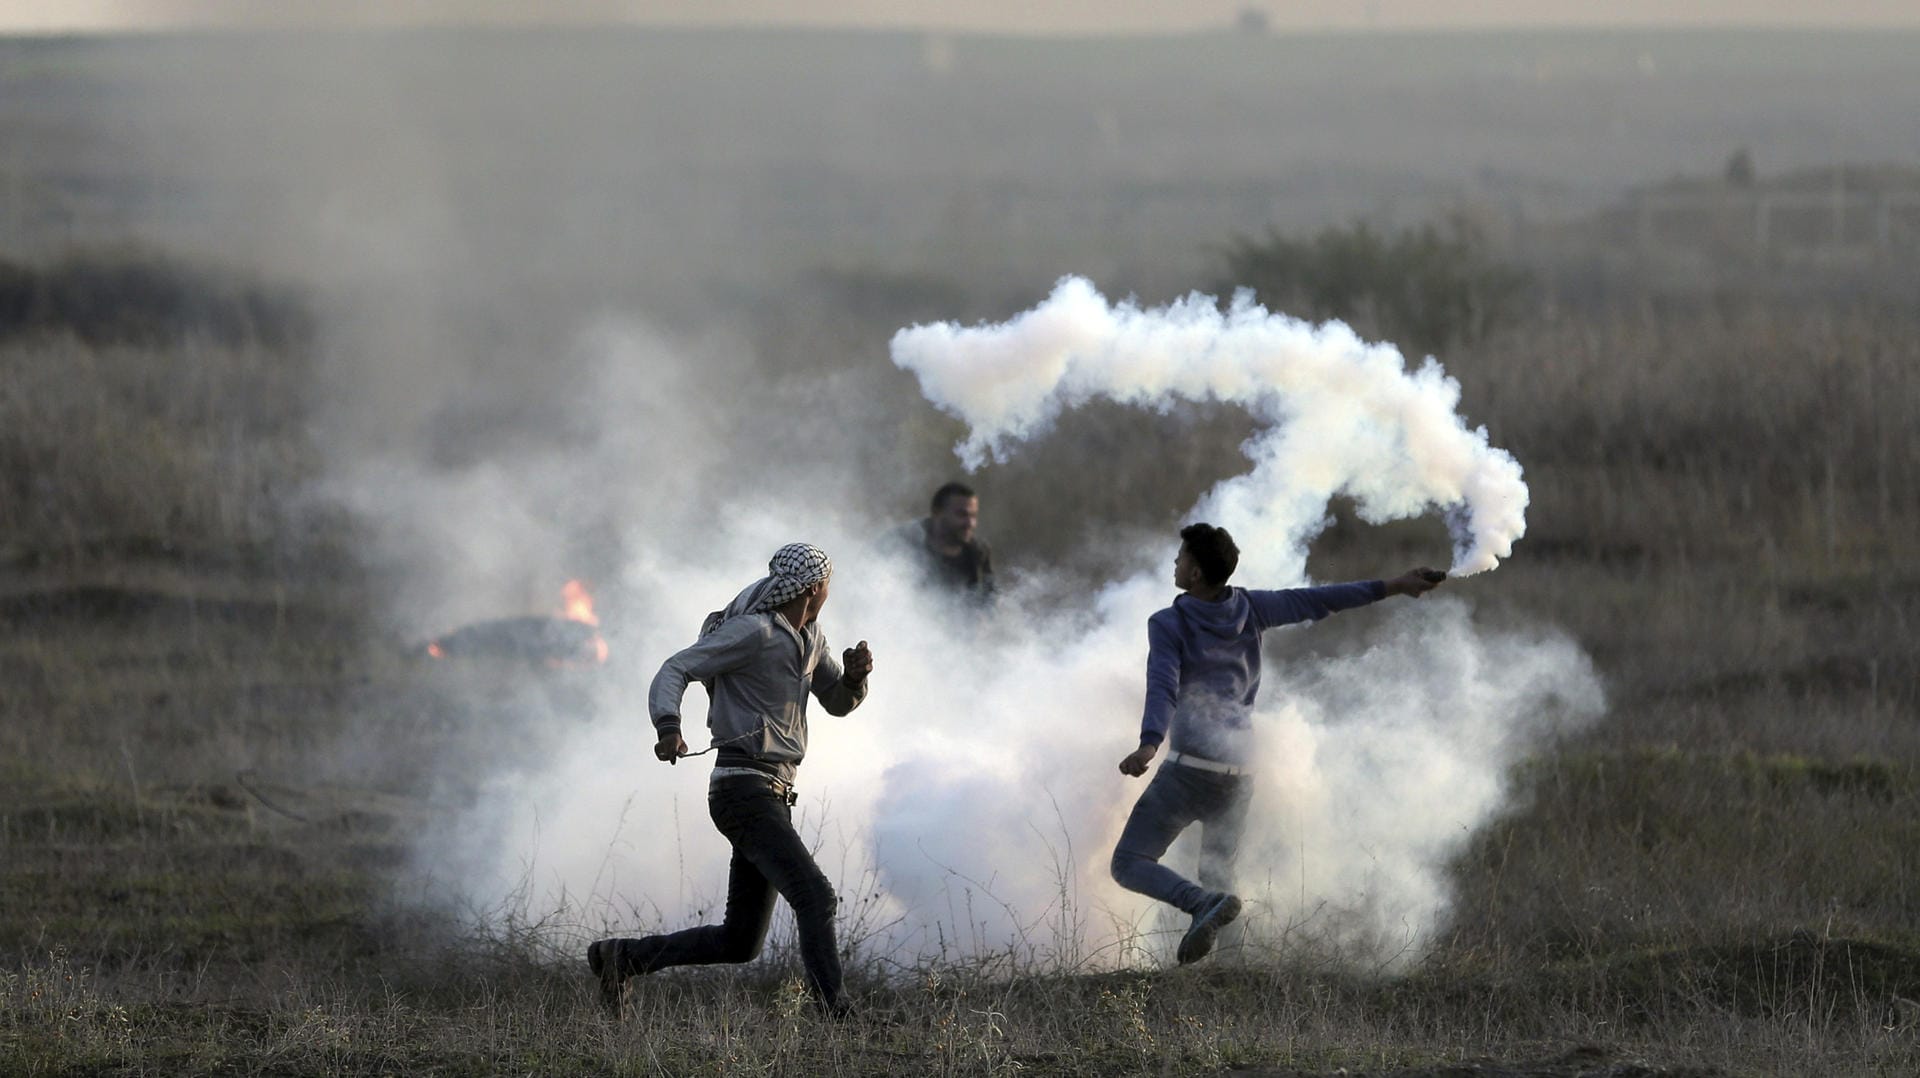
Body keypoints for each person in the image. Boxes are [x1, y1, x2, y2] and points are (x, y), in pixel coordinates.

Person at [1110, 522, 1443, 964]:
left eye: (1181, 557)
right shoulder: (1252, 608)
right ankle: (1231, 970)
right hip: (1238, 772)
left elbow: (1163, 685)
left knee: (1130, 861)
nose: (1175, 562)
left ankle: (1196, 904)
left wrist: (1150, 743)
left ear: (1194, 574)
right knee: (1220, 873)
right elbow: (1321, 600)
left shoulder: (1168, 623)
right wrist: (1396, 585)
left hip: (1189, 769)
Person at [587, 542, 875, 1016]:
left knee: (741, 941)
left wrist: (855, 678)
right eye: (829, 585)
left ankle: (621, 958)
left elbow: (837, 702)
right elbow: (676, 667)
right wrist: (668, 726)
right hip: (743, 789)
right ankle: (835, 1012)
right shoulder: (755, 633)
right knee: (815, 895)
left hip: (772, 793)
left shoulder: (811, 637)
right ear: (816, 587)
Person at [888, 481, 995, 599]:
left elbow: (989, 600)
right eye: (961, 514)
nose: (970, 523)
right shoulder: (902, 543)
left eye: (973, 516)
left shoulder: (978, 552)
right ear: (937, 512)